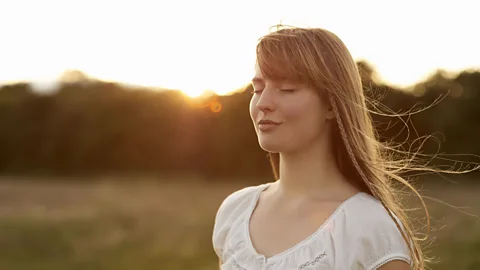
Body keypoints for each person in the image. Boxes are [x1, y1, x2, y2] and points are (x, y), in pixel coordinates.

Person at [212, 26, 427, 270]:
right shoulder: (236, 211)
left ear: (332, 105)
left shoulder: (372, 228)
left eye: (287, 89)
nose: (263, 103)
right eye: (258, 89)